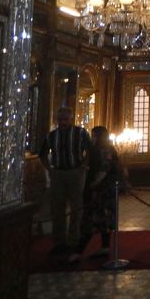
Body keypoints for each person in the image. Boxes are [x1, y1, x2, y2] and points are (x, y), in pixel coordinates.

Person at [38, 106, 91, 254]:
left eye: (65, 119)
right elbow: (42, 154)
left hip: (75, 172)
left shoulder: (80, 133)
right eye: (60, 119)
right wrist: (50, 169)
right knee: (57, 207)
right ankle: (59, 240)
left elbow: (90, 150)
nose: (63, 122)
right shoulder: (51, 136)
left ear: (71, 119)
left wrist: (83, 166)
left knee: (76, 207)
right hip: (58, 173)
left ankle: (74, 239)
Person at [68, 126, 121, 264]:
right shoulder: (104, 149)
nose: (92, 138)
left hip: (100, 191)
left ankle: (78, 252)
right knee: (104, 220)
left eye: (94, 136)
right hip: (106, 190)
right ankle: (104, 247)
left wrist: (94, 184)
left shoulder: (104, 150)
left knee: (91, 220)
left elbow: (104, 168)